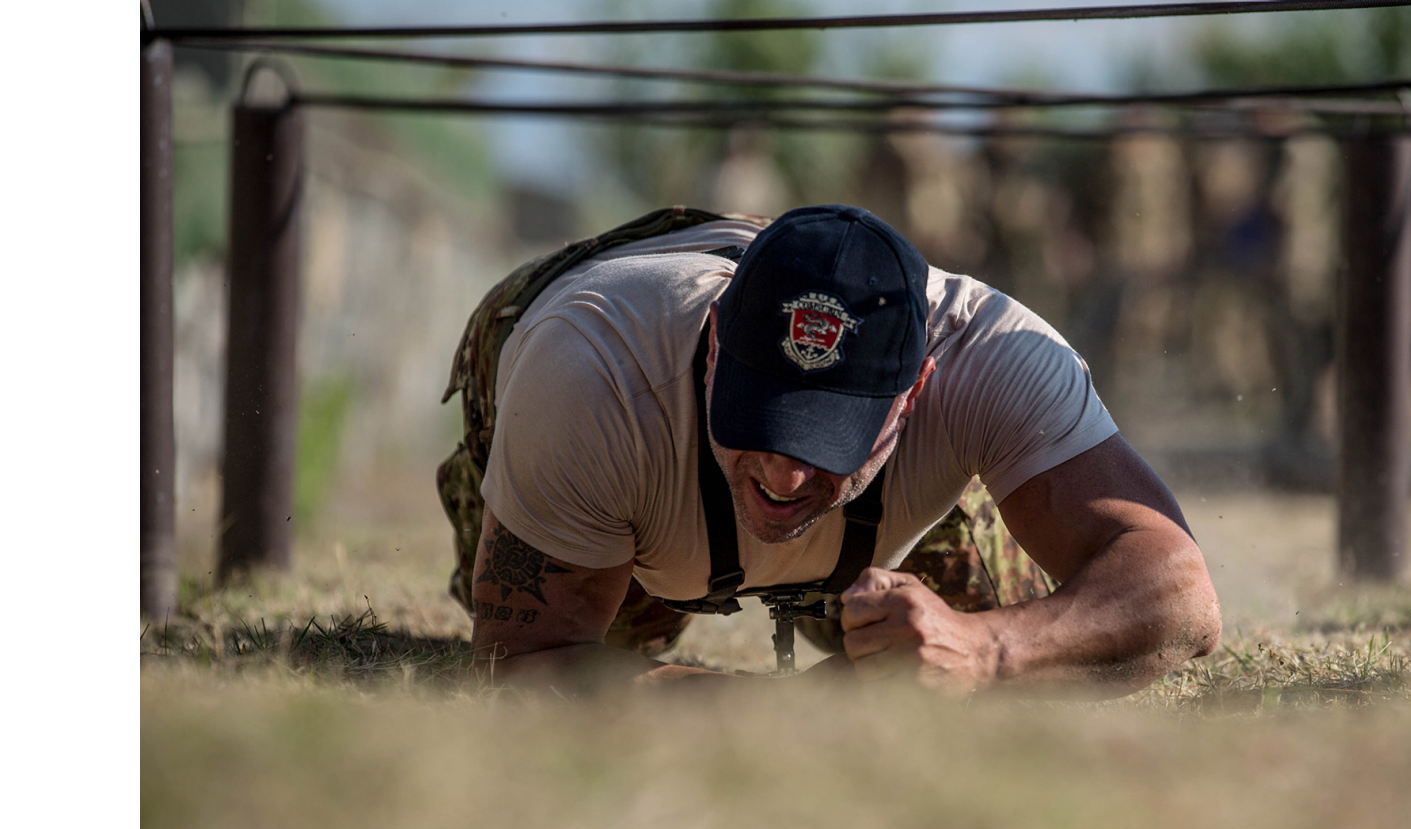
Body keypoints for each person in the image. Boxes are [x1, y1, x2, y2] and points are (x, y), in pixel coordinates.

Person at [436, 204, 1219, 698]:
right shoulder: (591, 371)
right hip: (576, 352)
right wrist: (787, 715)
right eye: (764, 417)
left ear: (914, 395)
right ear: (713, 351)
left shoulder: (995, 356)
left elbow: (1179, 593)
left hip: (871, 501)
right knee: (608, 651)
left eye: (826, 437)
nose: (784, 472)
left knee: (972, 657)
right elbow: (523, 667)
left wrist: (988, 649)